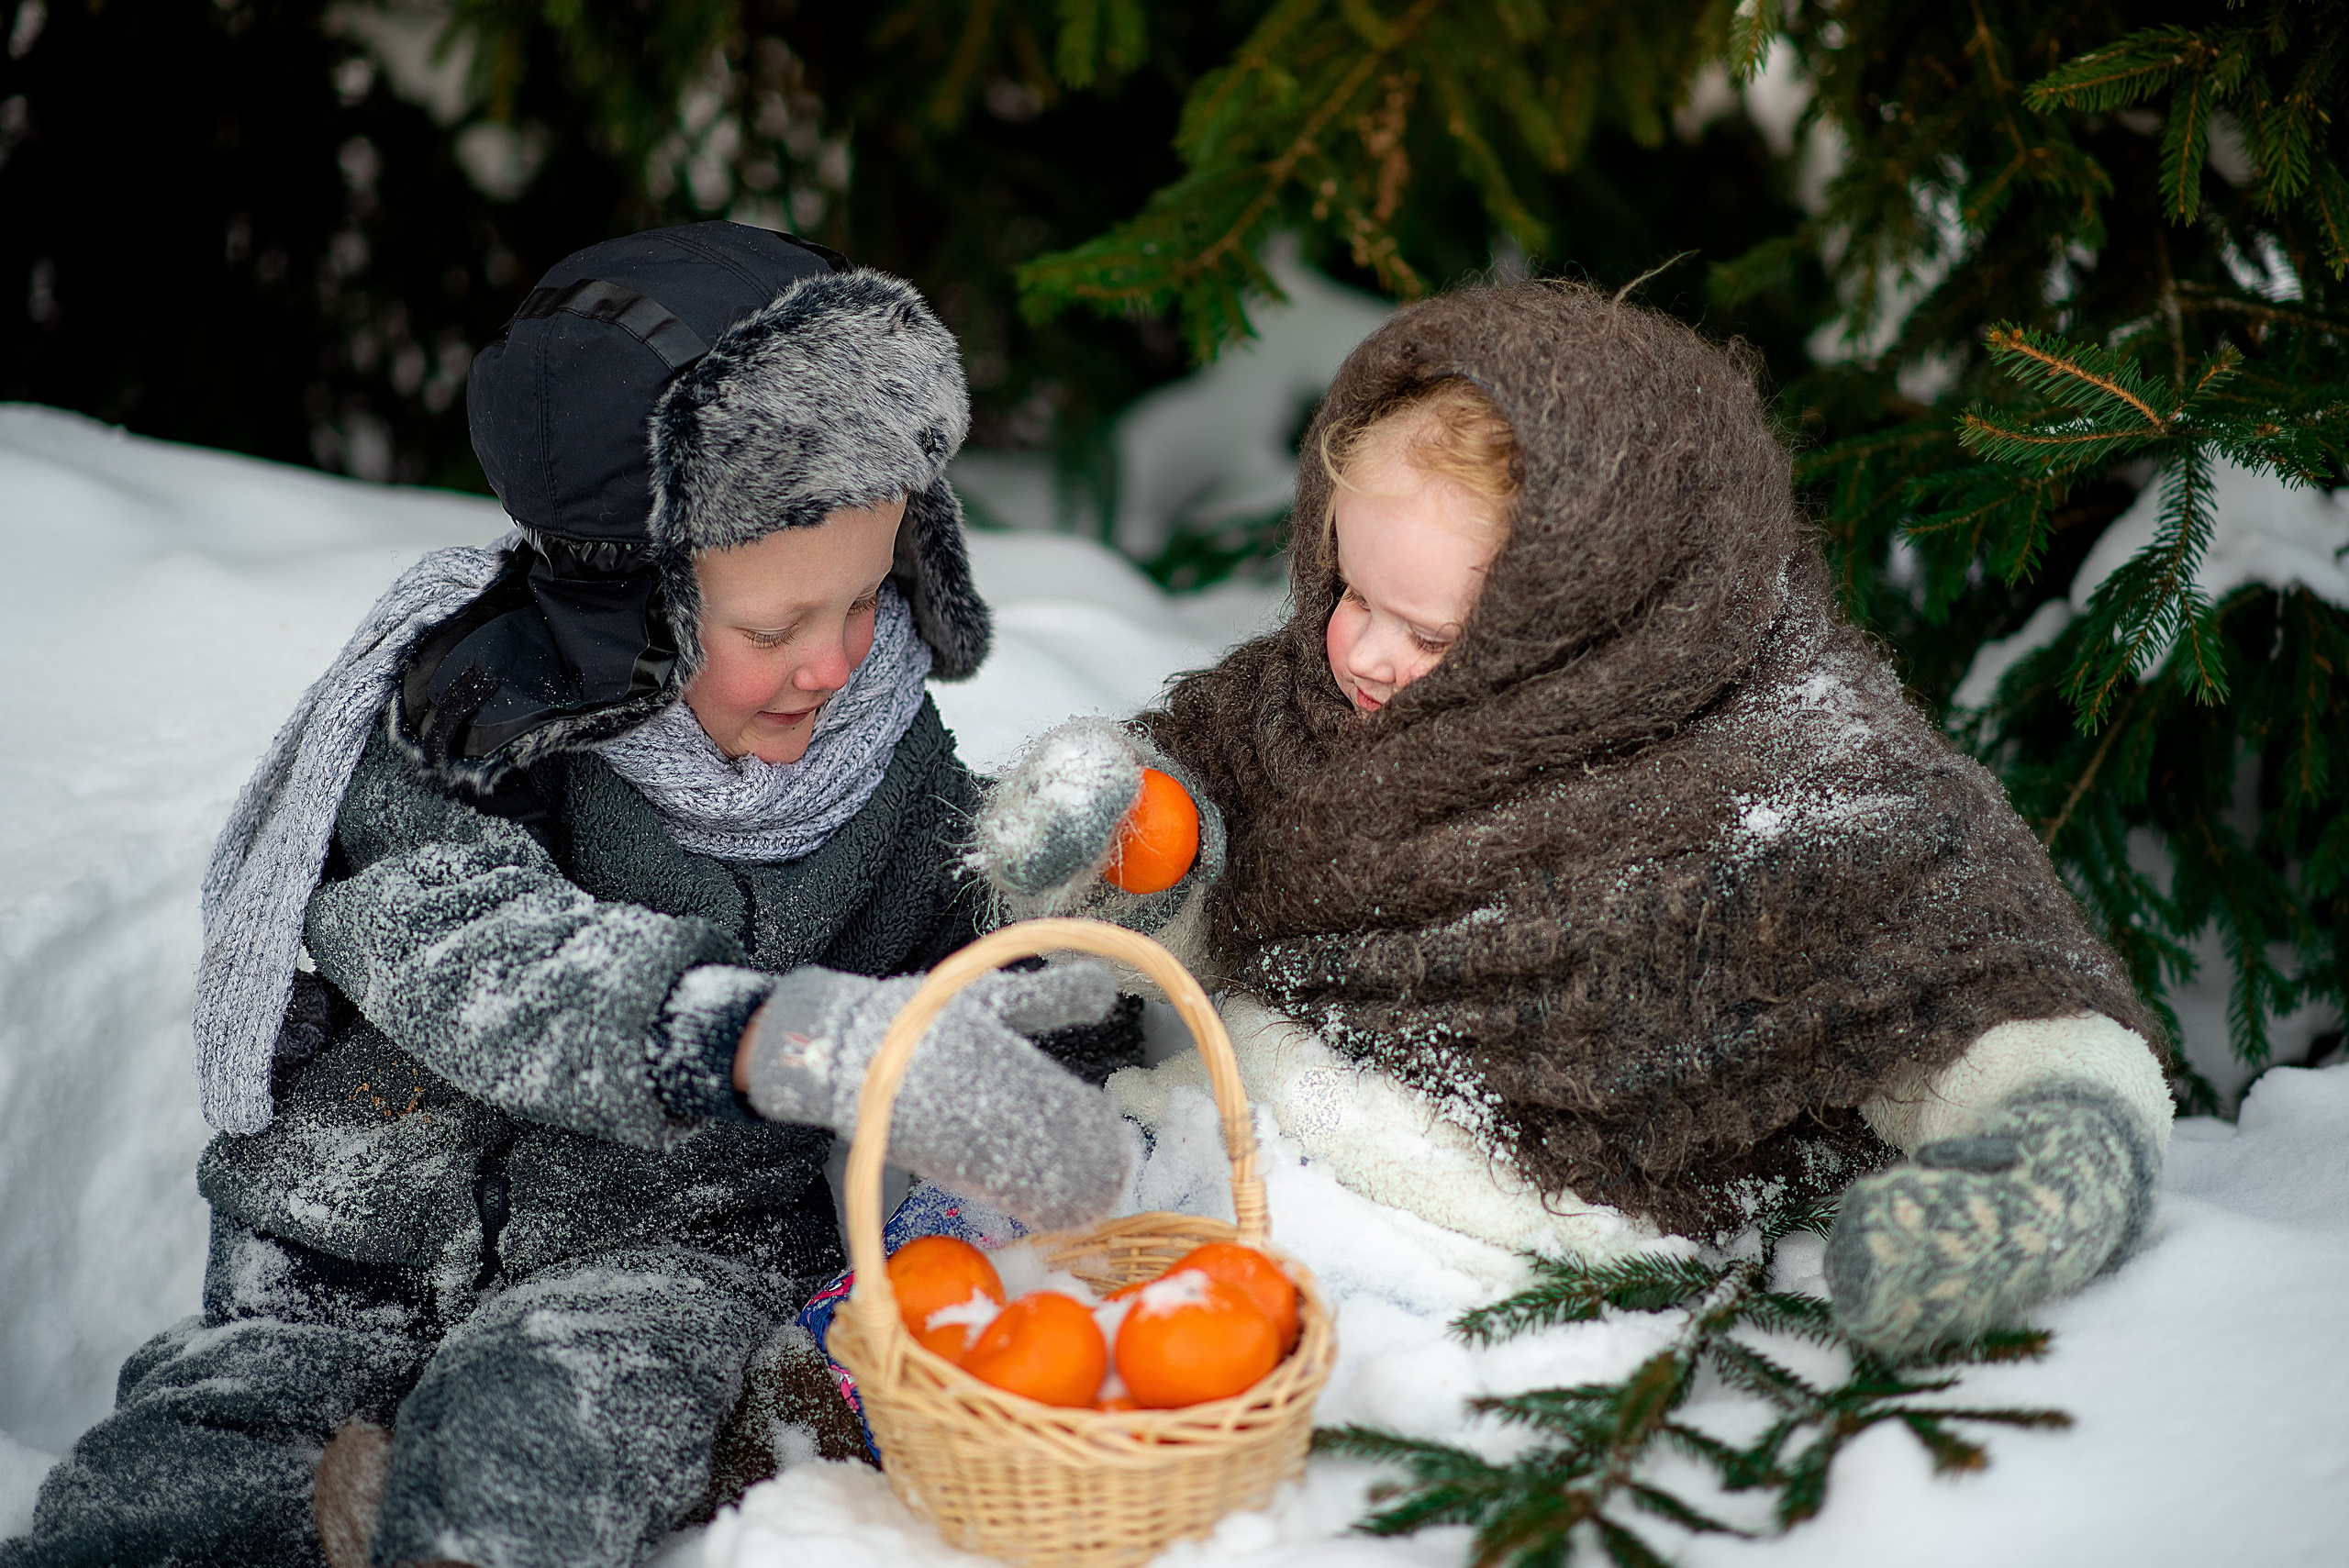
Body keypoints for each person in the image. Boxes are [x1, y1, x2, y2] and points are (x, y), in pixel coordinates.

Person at [2, 223, 1134, 1568]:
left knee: (555, 1426)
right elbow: (483, 960)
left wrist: (1075, 914)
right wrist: (780, 1035)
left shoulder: (882, 757)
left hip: (671, 1242)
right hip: (351, 1220)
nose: (834, 662)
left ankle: (450, 1541)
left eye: (867, 600)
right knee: (193, 1459)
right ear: (632, 602)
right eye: (773, 629)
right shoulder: (459, 725)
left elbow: (967, 946)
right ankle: (302, 1513)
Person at [971, 280, 2173, 1360]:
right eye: (1349, 591)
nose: (1368, 654)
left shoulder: (1786, 778)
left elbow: (1982, 983)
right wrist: (1120, 842)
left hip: (1525, 1282)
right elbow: (1189, 852)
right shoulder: (1295, 699)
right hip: (1232, 1185)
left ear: (1591, 625)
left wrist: (2042, 1170)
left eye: (1433, 634)